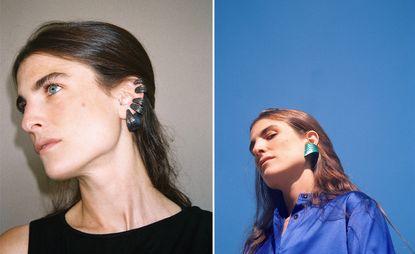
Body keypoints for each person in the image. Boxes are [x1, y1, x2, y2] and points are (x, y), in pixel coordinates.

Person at [0, 21, 211, 254]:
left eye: (52, 88)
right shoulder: (15, 248)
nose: (27, 122)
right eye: (24, 105)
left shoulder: (213, 239)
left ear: (127, 97)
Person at [244, 108, 395, 254]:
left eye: (270, 135)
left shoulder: (353, 210)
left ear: (310, 140)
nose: (257, 148)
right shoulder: (257, 245)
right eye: (252, 148)